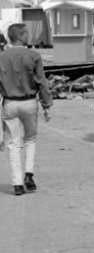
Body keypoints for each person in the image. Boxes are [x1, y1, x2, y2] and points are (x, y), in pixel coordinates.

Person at [0, 23, 53, 196]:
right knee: (30, 139)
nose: (29, 36)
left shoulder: (2, 57)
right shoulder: (34, 56)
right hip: (29, 102)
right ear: (21, 36)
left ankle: (16, 184)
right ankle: (29, 174)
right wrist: (46, 104)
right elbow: (41, 82)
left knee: (14, 144)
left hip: (9, 103)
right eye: (27, 33)